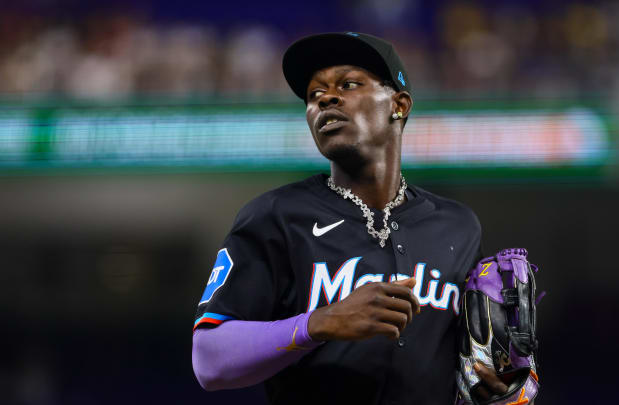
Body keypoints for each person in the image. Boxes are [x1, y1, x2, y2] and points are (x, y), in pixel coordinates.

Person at [191, 32, 510, 405]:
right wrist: (318, 323)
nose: (325, 98)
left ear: (399, 105)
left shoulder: (458, 226)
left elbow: (475, 366)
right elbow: (209, 360)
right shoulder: (277, 215)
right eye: (313, 95)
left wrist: (500, 383)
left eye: (349, 84)